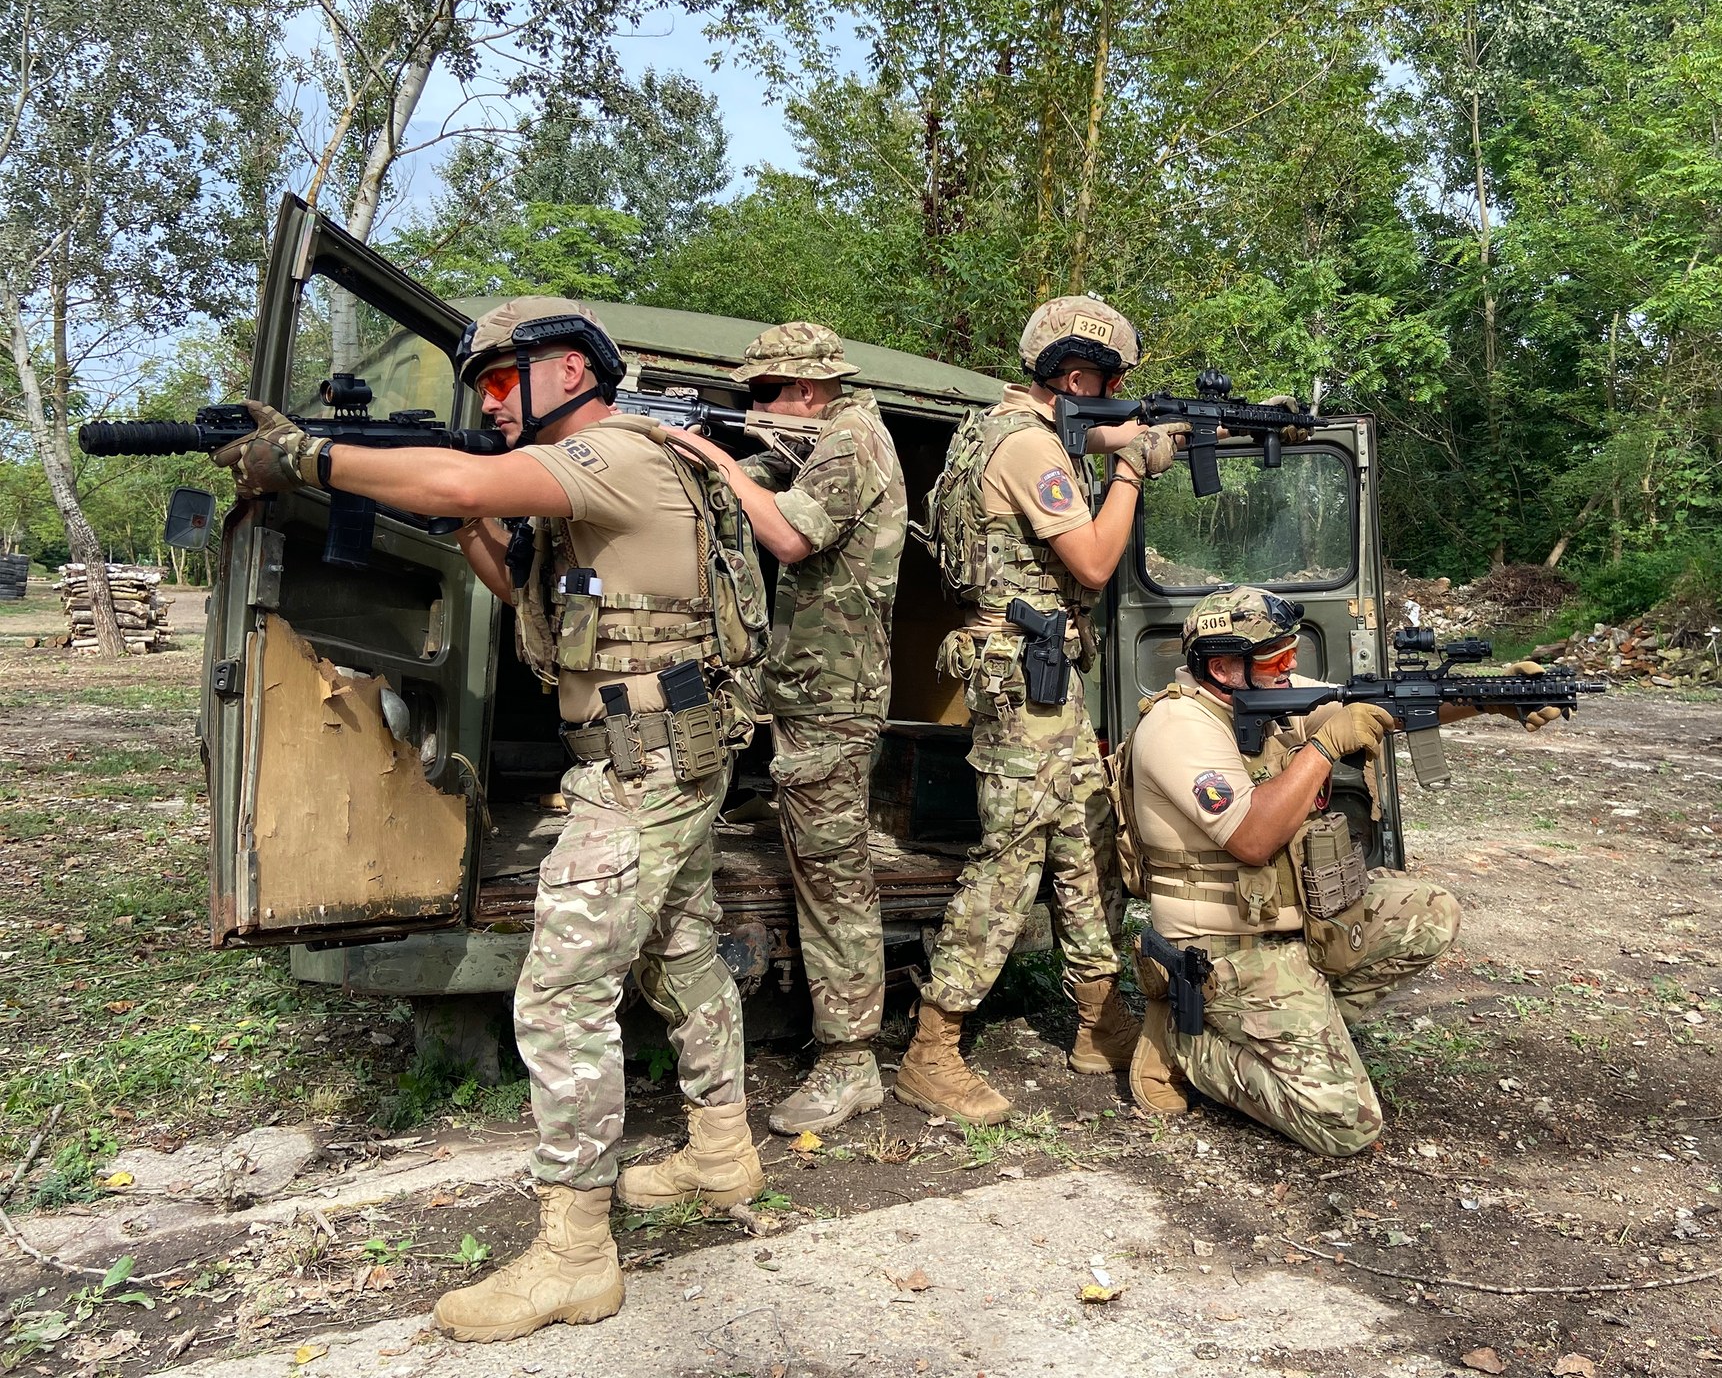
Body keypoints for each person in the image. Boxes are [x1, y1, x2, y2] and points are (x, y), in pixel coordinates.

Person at [210, 296, 767, 1342]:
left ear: (573, 372)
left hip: (642, 765)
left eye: (506, 379)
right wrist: (468, 526)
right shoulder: (601, 481)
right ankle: (722, 1148)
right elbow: (525, 592)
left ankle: (576, 1257)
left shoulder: (615, 455)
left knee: (559, 995)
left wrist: (305, 459)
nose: (491, 401)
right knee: (683, 949)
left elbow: (460, 479)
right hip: (663, 754)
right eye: (482, 388)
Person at [1120, 586, 1560, 1156]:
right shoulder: (1179, 727)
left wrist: (1487, 698)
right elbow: (1253, 838)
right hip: (1226, 952)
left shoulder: (1264, 694)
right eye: (1276, 658)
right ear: (1223, 667)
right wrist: (1324, 748)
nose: (1290, 666)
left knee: (1429, 913)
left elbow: (1380, 707)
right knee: (1346, 1124)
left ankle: (1302, 1025)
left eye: (1291, 651)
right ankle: (1187, 1043)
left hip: (1299, 927)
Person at [902, 294, 1184, 1124]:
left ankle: (1100, 1018)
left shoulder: (1006, 427)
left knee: (1086, 841)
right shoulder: (1029, 446)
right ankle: (932, 1047)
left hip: (1044, 677)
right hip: (1024, 683)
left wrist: (1157, 435)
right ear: (1077, 377)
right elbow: (1092, 563)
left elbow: (1091, 437)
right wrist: (1131, 472)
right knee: (1012, 860)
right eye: (1111, 382)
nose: (1117, 396)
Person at [667, 322, 907, 1137]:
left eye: (765, 393)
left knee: (835, 878)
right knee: (820, 865)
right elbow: (769, 482)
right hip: (812, 689)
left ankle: (850, 1062)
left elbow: (788, 534)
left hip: (834, 697)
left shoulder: (850, 439)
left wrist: (721, 460)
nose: (757, 405)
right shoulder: (823, 440)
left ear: (806, 389)